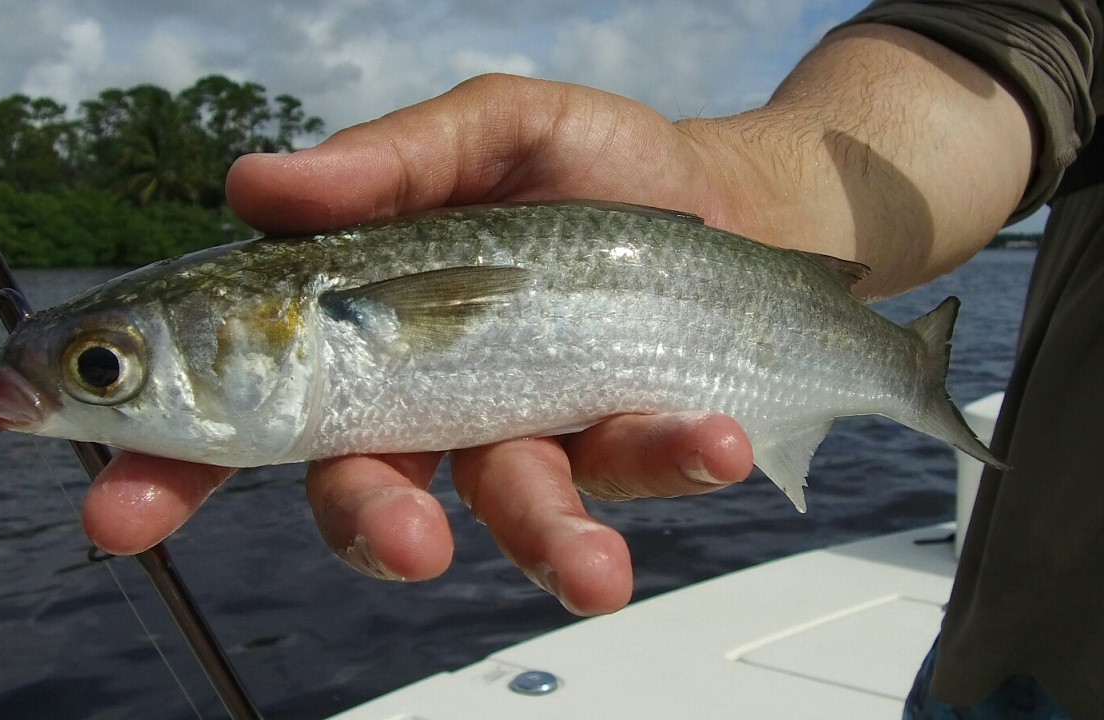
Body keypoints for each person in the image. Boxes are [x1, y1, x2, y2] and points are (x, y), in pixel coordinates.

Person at [81, 1, 1103, 716]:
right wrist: (732, 174)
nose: (97, 386)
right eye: (104, 369)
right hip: (1008, 675)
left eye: (103, 369)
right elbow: (1013, 40)